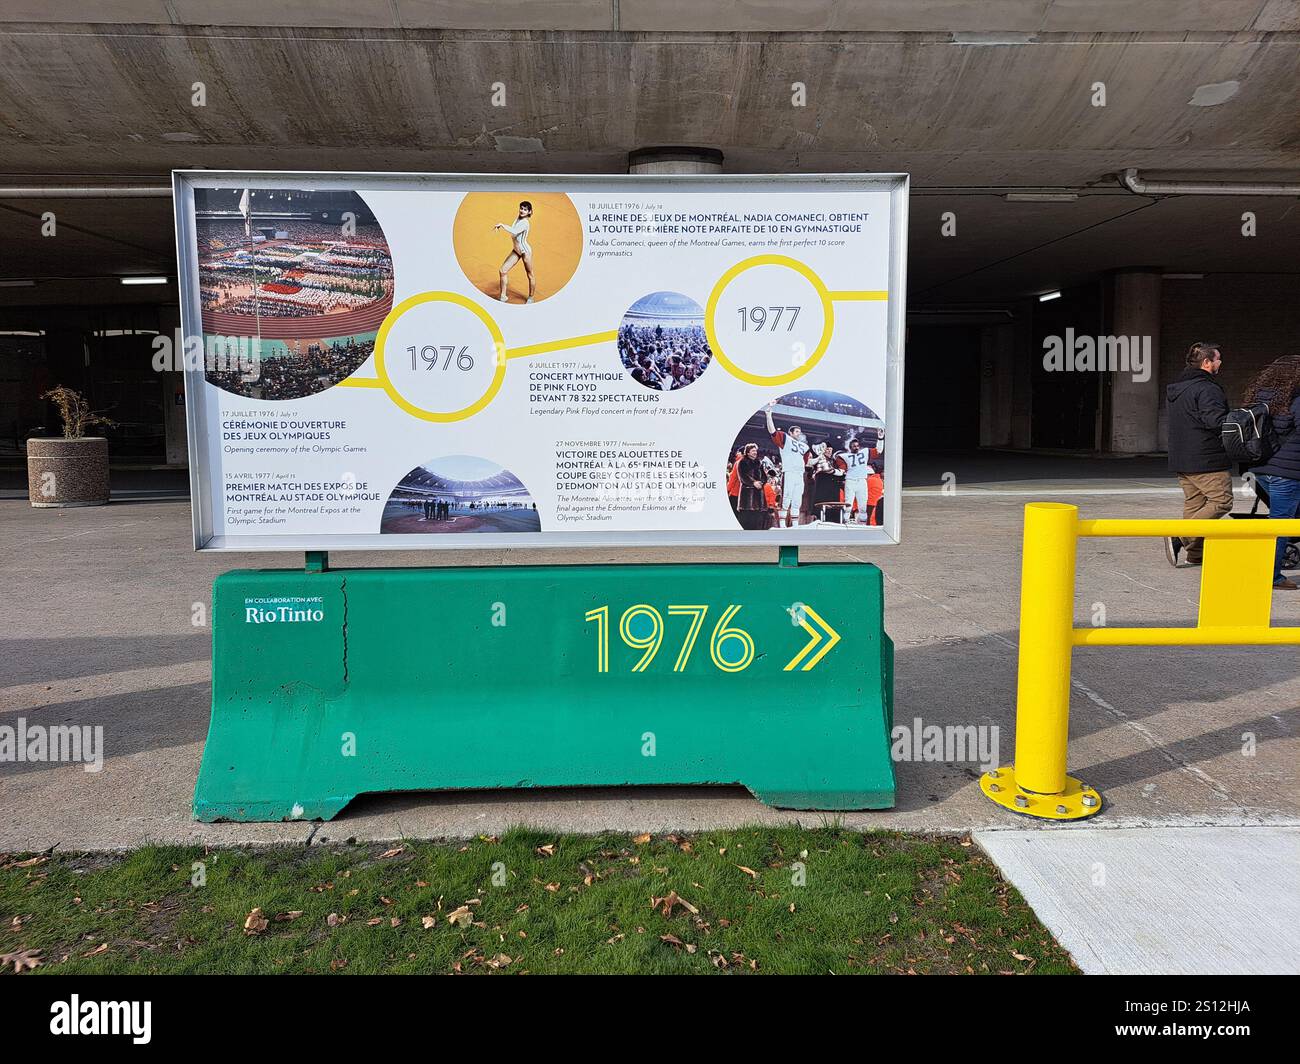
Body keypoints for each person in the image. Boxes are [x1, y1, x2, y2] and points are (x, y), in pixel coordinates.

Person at [1165, 341, 1232, 567]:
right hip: (1206, 457)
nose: (1220, 363)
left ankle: (1195, 554)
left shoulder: (1177, 388)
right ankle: (1180, 536)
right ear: (1206, 362)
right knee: (1222, 501)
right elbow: (1215, 421)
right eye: (1217, 359)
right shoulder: (1207, 388)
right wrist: (1236, 422)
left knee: (1195, 504)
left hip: (1181, 457)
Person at [1243, 355, 1300, 590]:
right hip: (1286, 472)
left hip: (1260, 469)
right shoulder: (1294, 399)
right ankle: (1272, 576)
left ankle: (1262, 563)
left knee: (1280, 519)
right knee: (1280, 524)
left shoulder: (1258, 398)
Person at [765, 400, 809, 527]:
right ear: (790, 433)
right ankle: (783, 525)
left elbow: (806, 461)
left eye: (799, 432)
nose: (798, 434)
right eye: (796, 432)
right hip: (789, 472)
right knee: (786, 498)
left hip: (799, 474)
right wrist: (769, 416)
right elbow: (772, 431)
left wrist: (820, 457)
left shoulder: (804, 446)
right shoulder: (786, 439)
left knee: (797, 500)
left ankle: (795, 525)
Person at [493, 200, 536, 304]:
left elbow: (515, 231)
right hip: (516, 250)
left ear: (529, 212)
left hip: (525, 252)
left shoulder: (525, 222)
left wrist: (502, 225)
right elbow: (514, 229)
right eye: (521, 208)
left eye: (525, 209)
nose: (522, 210)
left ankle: (531, 297)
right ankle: (503, 296)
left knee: (530, 274)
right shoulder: (518, 218)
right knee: (503, 271)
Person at [736, 443, 767, 530]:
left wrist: (761, 482)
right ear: (748, 452)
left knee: (757, 521)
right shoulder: (742, 462)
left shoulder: (759, 462)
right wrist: (753, 483)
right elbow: (742, 477)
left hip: (758, 496)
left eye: (755, 451)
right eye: (753, 451)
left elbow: (764, 476)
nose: (755, 452)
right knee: (746, 521)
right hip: (747, 497)